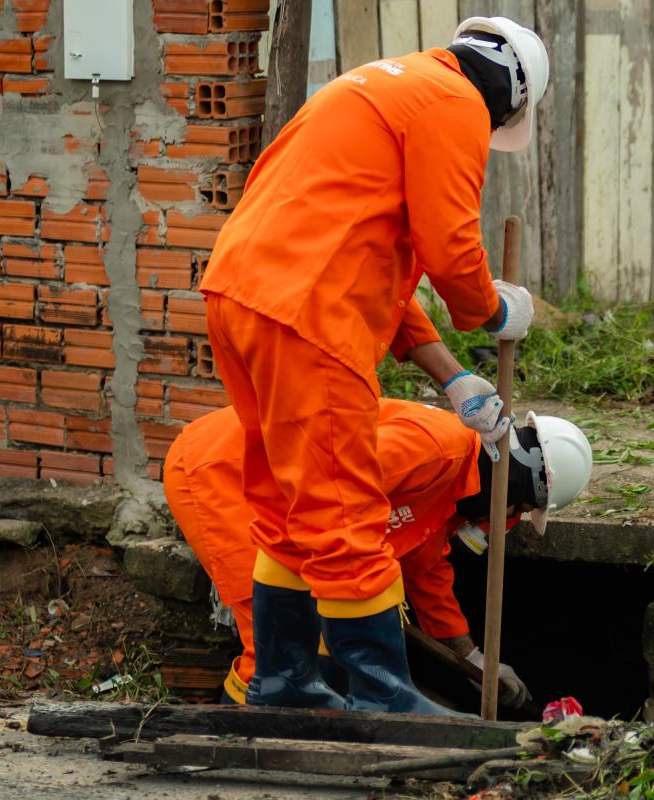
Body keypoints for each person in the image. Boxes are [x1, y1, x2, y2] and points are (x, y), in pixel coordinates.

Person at [196, 17, 550, 713]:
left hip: (243, 299)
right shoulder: (454, 105)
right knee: (341, 507)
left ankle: (285, 680)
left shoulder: (383, 89)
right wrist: (492, 308)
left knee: (286, 505)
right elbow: (449, 248)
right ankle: (383, 696)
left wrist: (451, 375)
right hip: (309, 319)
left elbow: (378, 269)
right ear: (508, 95)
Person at [164, 396, 592, 710]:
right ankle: (231, 747)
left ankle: (303, 744)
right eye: (520, 510)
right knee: (277, 642)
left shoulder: (454, 497)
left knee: (319, 645)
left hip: (289, 492)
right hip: (225, 468)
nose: (511, 521)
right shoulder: (438, 449)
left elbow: (426, 571)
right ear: (520, 483)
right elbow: (333, 484)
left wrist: (474, 658)